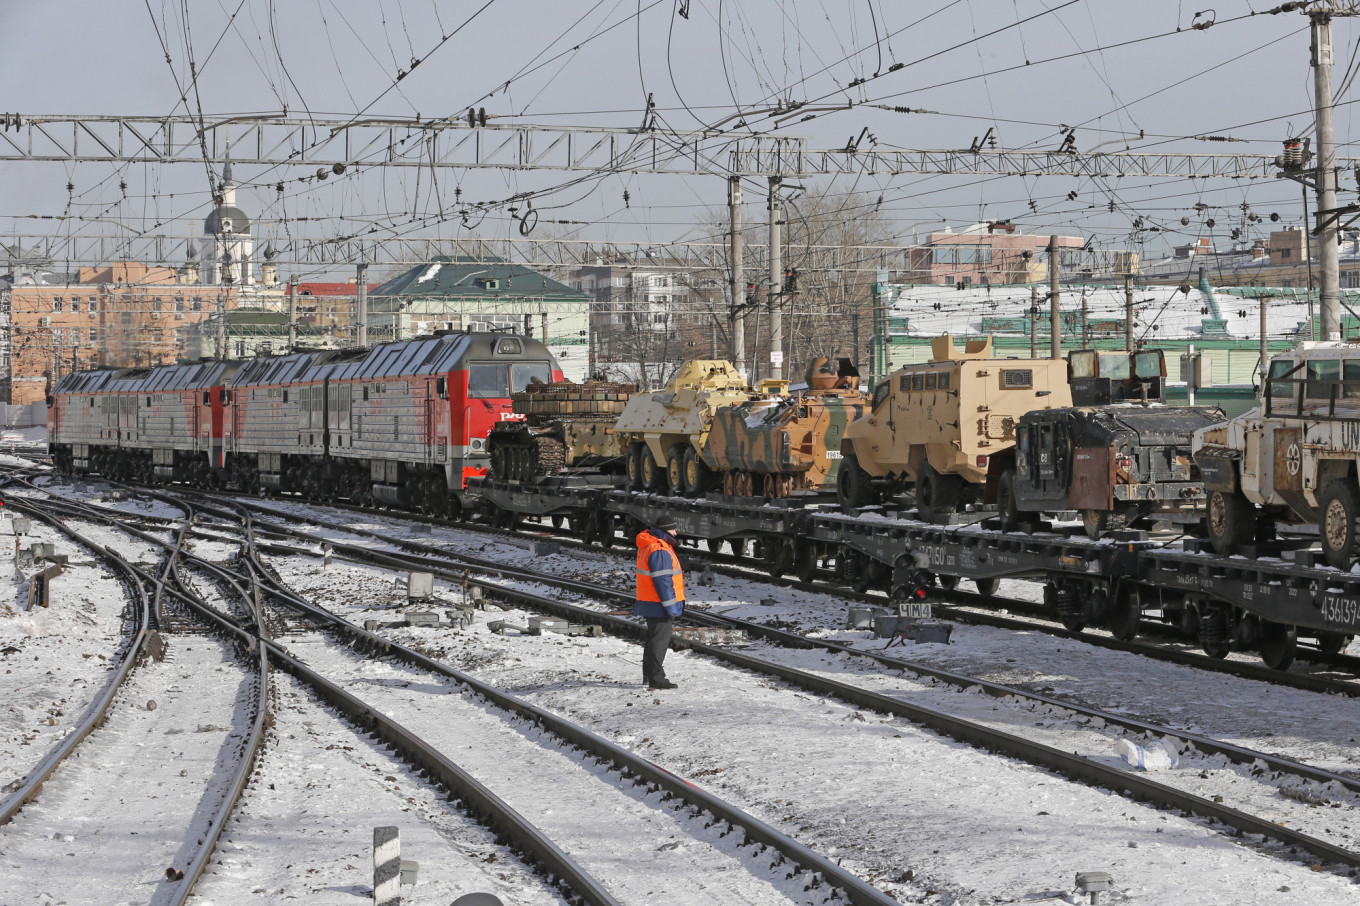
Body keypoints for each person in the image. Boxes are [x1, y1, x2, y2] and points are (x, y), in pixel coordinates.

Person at [634, 516, 685, 690]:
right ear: (664, 531)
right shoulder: (659, 549)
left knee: (652, 640)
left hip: (650, 600)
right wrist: (671, 607)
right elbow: (663, 582)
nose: (676, 533)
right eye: (673, 530)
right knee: (659, 642)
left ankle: (649, 676)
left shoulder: (650, 545)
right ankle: (657, 678)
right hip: (659, 603)